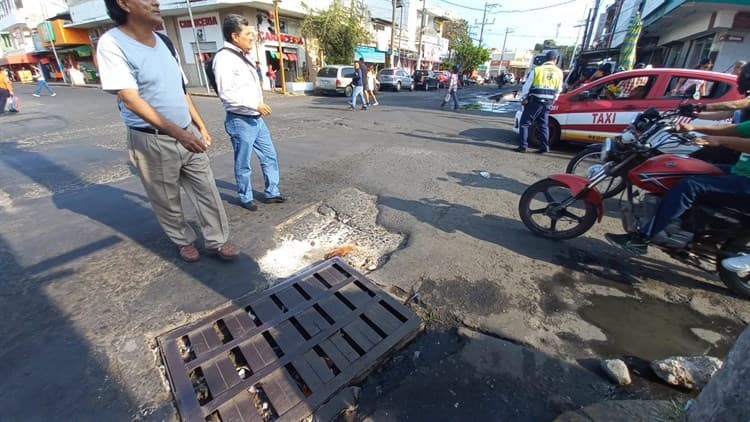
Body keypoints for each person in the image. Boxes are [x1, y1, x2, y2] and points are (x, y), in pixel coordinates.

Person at [97, 0, 238, 262]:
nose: (156, 1)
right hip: (152, 139)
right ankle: (183, 240)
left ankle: (216, 241)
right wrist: (179, 134)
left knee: (207, 190)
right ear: (124, 4)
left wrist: (199, 126)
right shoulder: (112, 43)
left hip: (187, 132)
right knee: (166, 197)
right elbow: (130, 99)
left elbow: (181, 91)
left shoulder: (164, 41)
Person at [606, 119, 750, 255]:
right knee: (687, 168)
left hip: (746, 183)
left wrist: (719, 140)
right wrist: (694, 127)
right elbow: (733, 129)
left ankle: (642, 238)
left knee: (690, 186)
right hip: (740, 171)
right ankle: (680, 223)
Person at [213, 14, 286, 212]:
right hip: (239, 119)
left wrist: (257, 106)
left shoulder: (245, 56)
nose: (252, 38)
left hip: (256, 119)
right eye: (248, 34)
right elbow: (226, 93)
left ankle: (272, 192)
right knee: (243, 161)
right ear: (235, 36)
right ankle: (246, 196)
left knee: (269, 155)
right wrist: (255, 104)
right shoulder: (224, 59)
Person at [516, 50, 564, 153]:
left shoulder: (537, 70)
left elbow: (527, 86)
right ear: (555, 60)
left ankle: (522, 146)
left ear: (545, 59)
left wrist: (523, 98)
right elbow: (559, 89)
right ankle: (544, 147)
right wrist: (553, 100)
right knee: (543, 125)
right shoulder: (559, 72)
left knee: (524, 123)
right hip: (547, 102)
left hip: (535, 101)